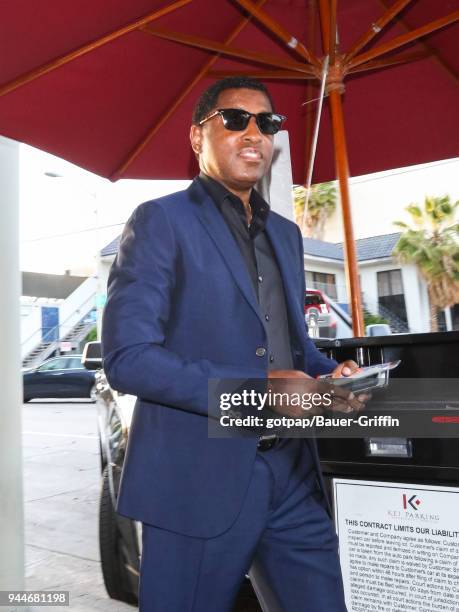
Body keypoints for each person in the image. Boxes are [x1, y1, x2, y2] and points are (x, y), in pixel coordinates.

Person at [102, 76, 365, 611]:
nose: (254, 133)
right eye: (234, 119)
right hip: (198, 479)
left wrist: (330, 376)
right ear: (197, 137)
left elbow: (291, 348)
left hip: (292, 475)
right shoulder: (160, 221)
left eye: (267, 123)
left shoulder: (286, 237)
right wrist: (259, 392)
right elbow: (128, 359)